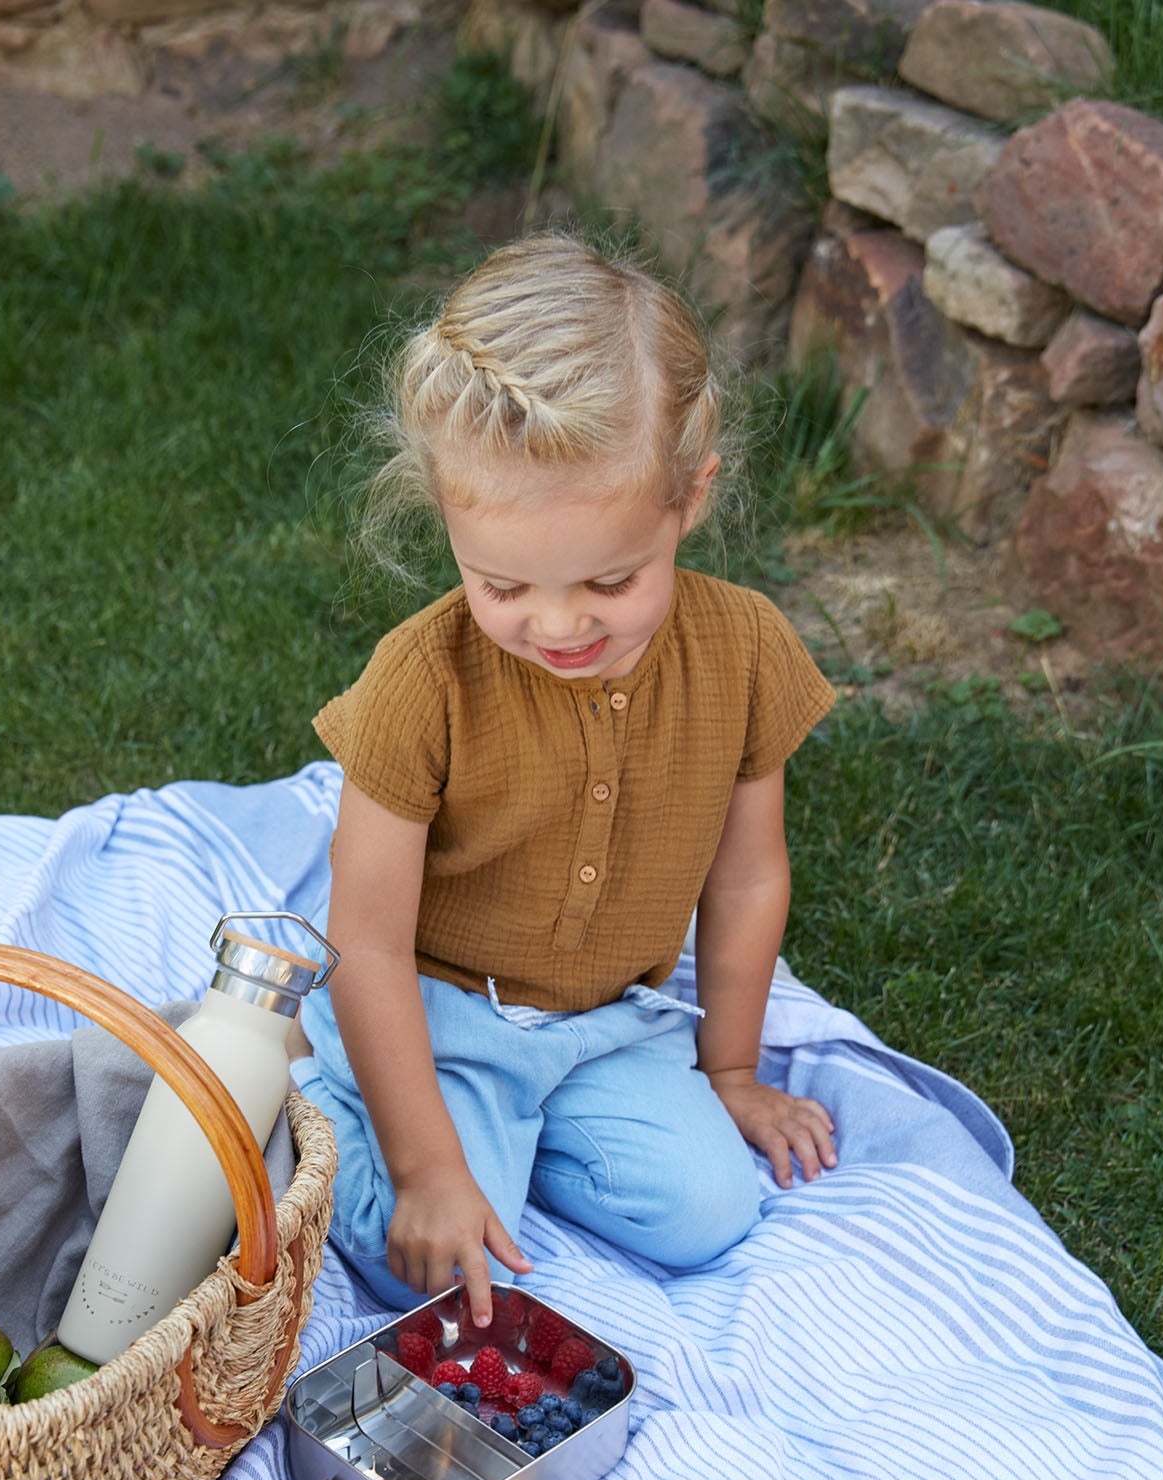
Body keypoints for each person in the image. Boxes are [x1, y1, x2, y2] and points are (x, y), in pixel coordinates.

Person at [292, 234, 839, 1327]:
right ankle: (314, 1110)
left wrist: (727, 1070)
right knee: (432, 1260)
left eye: (607, 579)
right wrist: (426, 1166)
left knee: (707, 1212)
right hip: (438, 1011)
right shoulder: (418, 680)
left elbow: (742, 883)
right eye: (502, 585)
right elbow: (366, 944)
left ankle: (512, 1137)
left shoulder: (744, 652)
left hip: (611, 1020)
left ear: (689, 497)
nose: (556, 624)